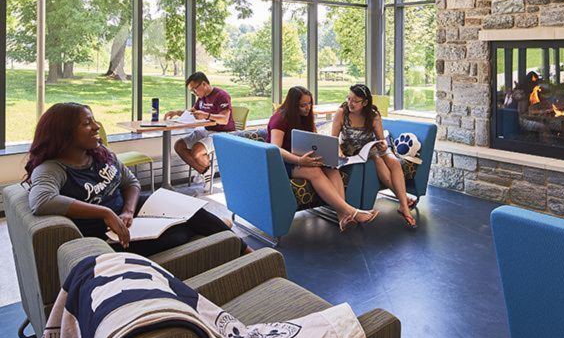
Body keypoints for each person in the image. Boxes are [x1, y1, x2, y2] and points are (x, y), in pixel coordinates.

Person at [25, 102, 249, 256]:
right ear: (63, 133)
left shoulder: (101, 155)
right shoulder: (52, 168)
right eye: (86, 123)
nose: (96, 127)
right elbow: (42, 201)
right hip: (108, 234)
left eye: (94, 121)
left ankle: (243, 249)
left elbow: (130, 182)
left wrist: (128, 211)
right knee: (182, 233)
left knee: (193, 211)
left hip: (129, 214)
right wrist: (105, 212)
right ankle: (224, 246)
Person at [266, 86, 378, 232]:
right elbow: (275, 149)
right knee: (315, 172)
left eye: (309, 104)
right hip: (281, 162)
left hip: (301, 158)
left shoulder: (305, 117)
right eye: (303, 105)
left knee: (332, 168)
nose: (308, 108)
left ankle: (342, 217)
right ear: (293, 105)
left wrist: (326, 154)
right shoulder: (279, 118)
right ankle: (352, 212)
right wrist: (299, 161)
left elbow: (311, 140)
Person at [332, 84, 419, 229]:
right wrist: (338, 151)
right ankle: (404, 202)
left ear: (365, 102)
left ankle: (403, 206)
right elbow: (334, 138)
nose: (350, 103)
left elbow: (381, 139)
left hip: (371, 146)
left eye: (355, 100)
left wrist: (384, 145)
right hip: (351, 149)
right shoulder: (342, 112)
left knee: (394, 162)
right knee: (378, 161)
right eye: (349, 98)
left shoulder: (373, 114)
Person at [164, 72, 235, 177]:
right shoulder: (202, 97)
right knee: (179, 145)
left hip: (223, 133)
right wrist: (176, 112)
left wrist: (206, 115)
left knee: (196, 151)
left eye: (194, 89)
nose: (194, 93)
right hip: (207, 130)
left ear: (204, 84)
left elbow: (224, 119)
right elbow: (192, 112)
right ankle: (206, 172)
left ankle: (205, 174)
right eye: (191, 91)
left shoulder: (221, 95)